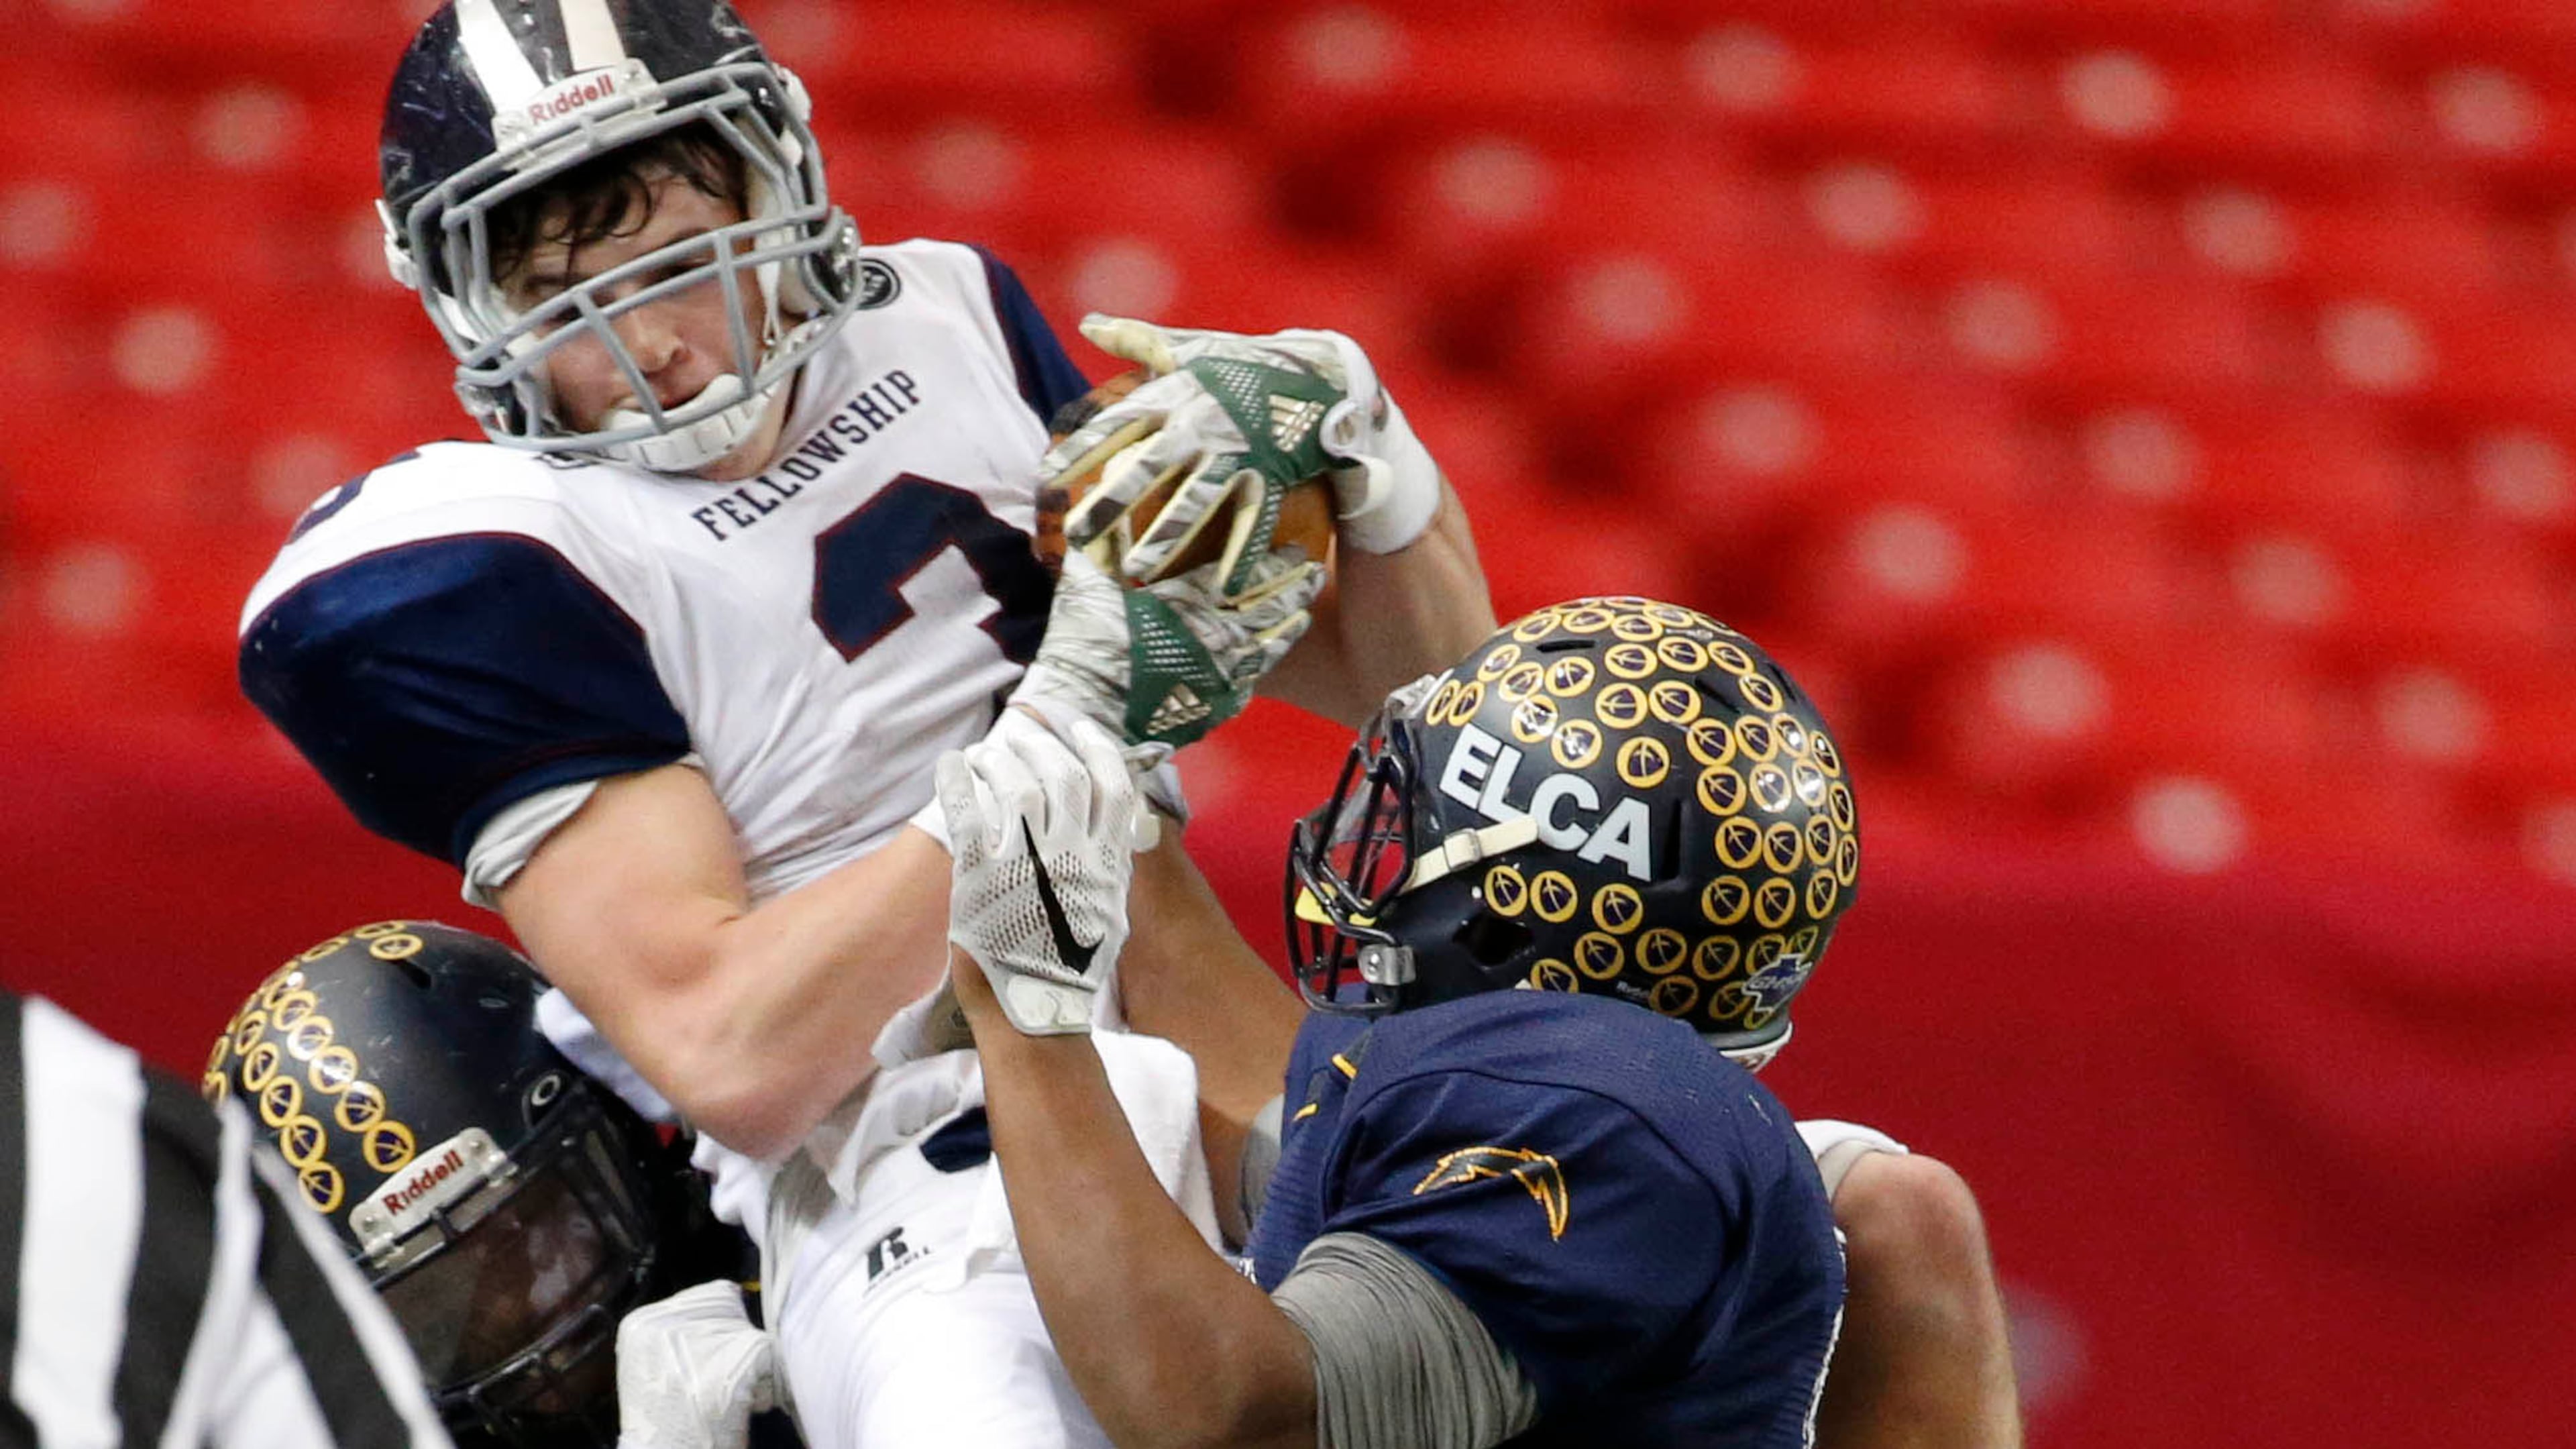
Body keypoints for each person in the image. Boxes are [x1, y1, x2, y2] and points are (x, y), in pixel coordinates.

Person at [234, 1, 1495, 1442]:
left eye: (677, 269)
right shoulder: (491, 552)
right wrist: (1066, 734)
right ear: (472, 311)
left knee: (1746, 1239)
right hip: (921, 1176)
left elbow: (1441, 715)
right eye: (571, 306)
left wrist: (1370, 454)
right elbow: (736, 1052)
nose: (654, 351)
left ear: (778, 193)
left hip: (1233, 1054)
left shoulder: (946, 320)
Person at [939, 598, 1868, 1446]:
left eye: (1424, 811)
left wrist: (1031, 1018)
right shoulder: (1528, 1077)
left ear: (1517, 905)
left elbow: (1238, 1418)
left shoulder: (1603, 1118)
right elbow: (1273, 1124)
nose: (1380, 830)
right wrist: (1108, 774)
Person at [201, 921, 759, 1448]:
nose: (533, 1302)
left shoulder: (786, 1248)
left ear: (624, 1130)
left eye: (541, 1216)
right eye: (445, 1299)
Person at [0, 985, 452, 1447]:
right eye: (444, 1293)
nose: (524, 1298)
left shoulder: (100, 1142)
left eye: (528, 1225)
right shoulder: (104, 1156)